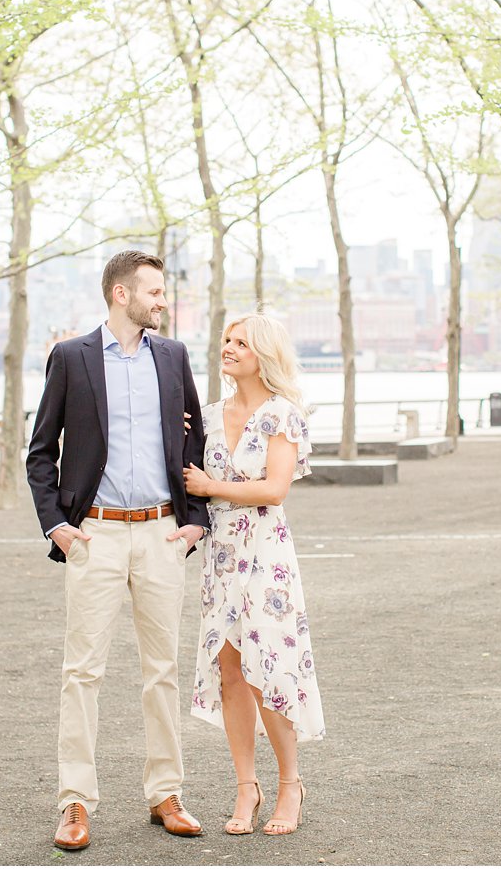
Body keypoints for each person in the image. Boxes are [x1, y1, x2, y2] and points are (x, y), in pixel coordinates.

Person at [25, 250, 211, 851]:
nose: (163, 301)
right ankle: (75, 802)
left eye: (163, 292)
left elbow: (194, 443)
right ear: (120, 295)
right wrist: (57, 524)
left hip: (161, 535)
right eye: (154, 292)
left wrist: (195, 521)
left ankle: (166, 793)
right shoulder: (71, 358)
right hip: (95, 535)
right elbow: (40, 451)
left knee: (163, 671)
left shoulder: (174, 357)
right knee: (82, 672)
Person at [182, 312, 324, 837]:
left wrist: (209, 487)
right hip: (221, 557)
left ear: (263, 353)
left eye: (241, 342)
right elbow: (185, 477)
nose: (229, 348)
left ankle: (290, 785)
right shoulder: (209, 416)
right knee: (231, 673)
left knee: (271, 672)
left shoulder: (281, 415)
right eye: (226, 339)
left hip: (267, 555)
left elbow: (273, 490)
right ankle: (247, 786)